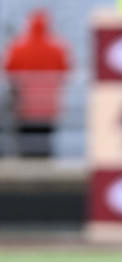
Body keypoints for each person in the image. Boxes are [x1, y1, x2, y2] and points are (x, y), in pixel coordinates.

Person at [2, 9, 69, 157]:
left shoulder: (17, 48)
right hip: (48, 106)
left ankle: (27, 169)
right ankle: (46, 165)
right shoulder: (57, 48)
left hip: (23, 106)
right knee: (45, 140)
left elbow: (7, 70)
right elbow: (65, 70)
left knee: (25, 141)